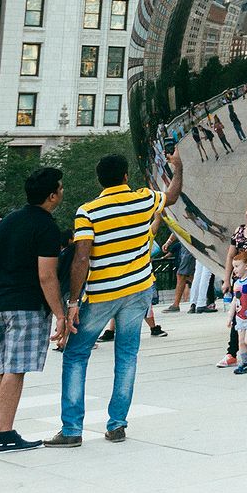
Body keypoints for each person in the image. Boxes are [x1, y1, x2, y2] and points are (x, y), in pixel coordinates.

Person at [49, 150, 185, 442]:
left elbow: (81, 258)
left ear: (100, 180)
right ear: (125, 176)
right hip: (138, 290)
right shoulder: (144, 198)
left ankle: (72, 429)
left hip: (102, 293)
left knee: (75, 354)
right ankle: (116, 424)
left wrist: (73, 302)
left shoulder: (88, 211)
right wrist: (179, 168)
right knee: (126, 356)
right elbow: (171, 196)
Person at [0, 167, 67, 452]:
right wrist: (60, 313)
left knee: (1, 368)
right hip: (26, 305)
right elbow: (46, 275)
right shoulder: (46, 226)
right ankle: (6, 434)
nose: (62, 191)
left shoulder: (7, 222)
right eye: (60, 187)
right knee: (15, 369)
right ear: (51, 196)